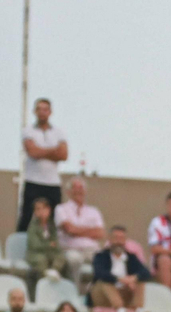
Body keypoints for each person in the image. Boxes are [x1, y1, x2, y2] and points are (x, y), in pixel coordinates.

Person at [17, 97, 68, 232]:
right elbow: (32, 152)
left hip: (52, 183)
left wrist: (41, 150)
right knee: (26, 218)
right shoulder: (28, 130)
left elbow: (63, 155)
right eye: (39, 109)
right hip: (33, 181)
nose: (42, 112)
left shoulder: (58, 132)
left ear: (50, 112)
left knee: (54, 219)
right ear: (34, 111)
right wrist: (53, 150)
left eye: (45, 109)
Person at [87, 225, 150, 312]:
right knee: (105, 281)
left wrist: (133, 278)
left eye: (121, 238)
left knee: (140, 280)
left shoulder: (131, 257)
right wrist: (119, 279)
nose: (119, 242)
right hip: (103, 296)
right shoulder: (101, 256)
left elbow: (146, 272)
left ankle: (139, 309)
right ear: (110, 240)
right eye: (116, 238)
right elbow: (99, 273)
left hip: (123, 294)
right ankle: (119, 309)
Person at [53, 177, 105, 282]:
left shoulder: (94, 211)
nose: (78, 190)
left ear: (85, 191)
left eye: (81, 188)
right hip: (70, 249)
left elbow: (100, 233)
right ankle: (75, 289)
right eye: (75, 188)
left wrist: (76, 230)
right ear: (68, 192)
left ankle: (96, 289)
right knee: (74, 259)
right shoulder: (61, 209)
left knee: (105, 259)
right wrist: (90, 230)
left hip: (91, 250)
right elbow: (69, 230)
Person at [24, 197, 68, 285]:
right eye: (38, 209)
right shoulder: (33, 226)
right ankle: (45, 281)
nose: (41, 212)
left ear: (49, 210)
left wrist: (54, 246)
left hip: (50, 252)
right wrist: (48, 244)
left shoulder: (52, 225)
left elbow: (55, 242)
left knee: (61, 257)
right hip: (35, 254)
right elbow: (34, 244)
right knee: (41, 260)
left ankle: (54, 272)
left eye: (44, 208)